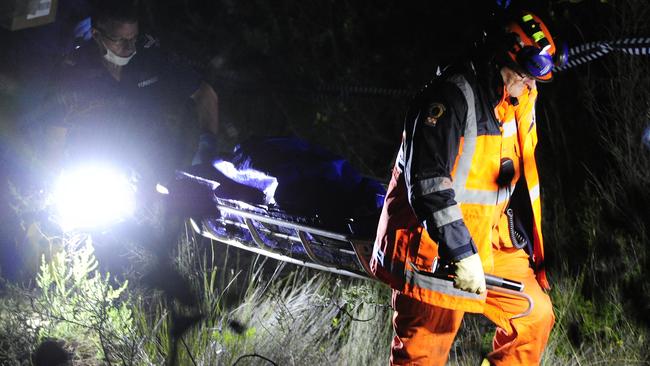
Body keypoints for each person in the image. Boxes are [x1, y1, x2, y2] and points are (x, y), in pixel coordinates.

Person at [371, 11, 565, 365]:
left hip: (488, 240)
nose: (530, 86)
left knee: (533, 316)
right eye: (525, 76)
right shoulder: (451, 97)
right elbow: (428, 183)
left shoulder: (516, 103)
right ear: (501, 59)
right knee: (423, 354)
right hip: (432, 248)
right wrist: (461, 253)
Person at [31, 0, 219, 181]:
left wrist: (207, 147)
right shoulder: (73, 72)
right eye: (120, 40)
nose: (130, 48)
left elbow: (205, 94)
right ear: (96, 35)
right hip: (90, 166)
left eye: (133, 38)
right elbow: (54, 137)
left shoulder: (151, 58)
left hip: (150, 162)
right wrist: (50, 182)